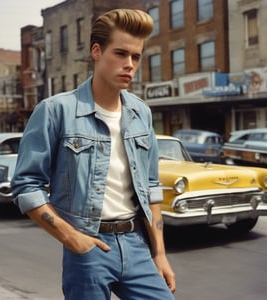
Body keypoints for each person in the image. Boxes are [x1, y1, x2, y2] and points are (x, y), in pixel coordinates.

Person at [12, 8, 176, 300]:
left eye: (135, 57)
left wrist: (159, 253)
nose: (129, 65)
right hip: (88, 246)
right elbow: (26, 186)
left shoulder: (141, 113)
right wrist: (71, 237)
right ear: (96, 51)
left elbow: (151, 188)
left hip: (136, 244)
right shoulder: (56, 111)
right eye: (121, 53)